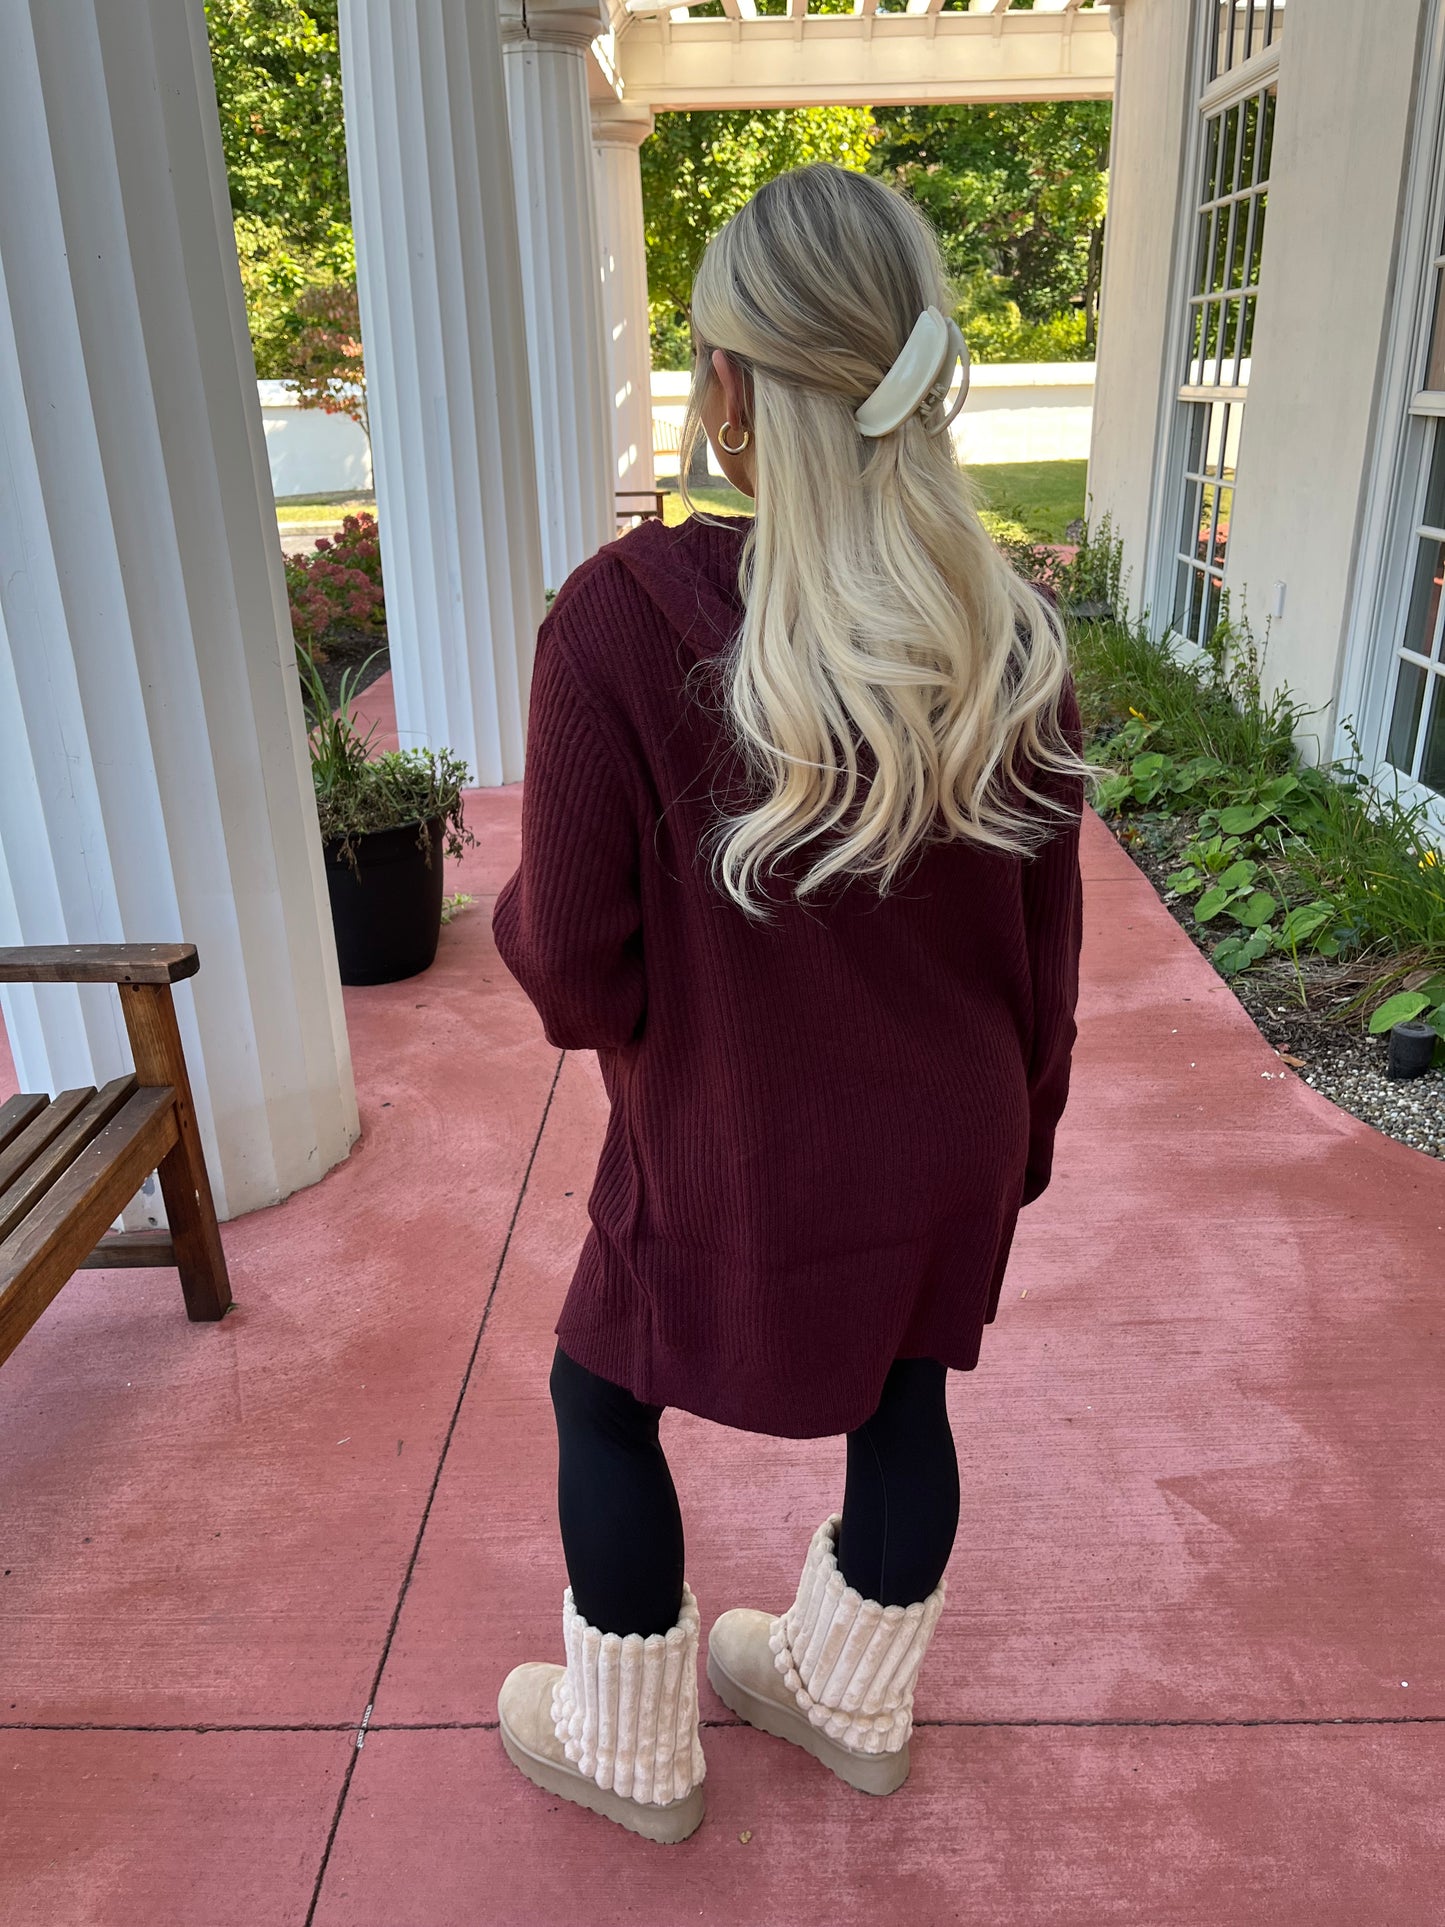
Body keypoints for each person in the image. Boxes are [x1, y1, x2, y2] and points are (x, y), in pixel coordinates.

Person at [492, 163, 1085, 1846]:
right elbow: (1045, 952)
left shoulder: (625, 617)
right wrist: (1021, 1144)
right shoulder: (1008, 629)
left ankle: (633, 1746)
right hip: (955, 1132)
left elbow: (576, 971)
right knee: (907, 1397)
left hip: (737, 1140)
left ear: (730, 387)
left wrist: (526, 916)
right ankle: (846, 1698)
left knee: (602, 1391)